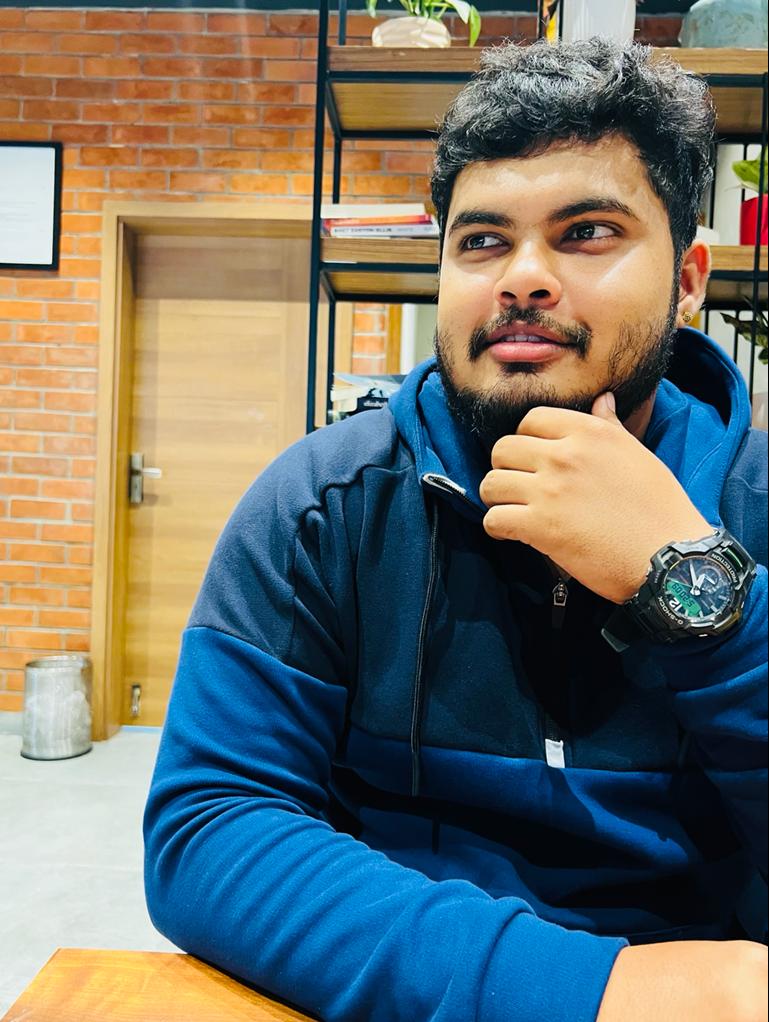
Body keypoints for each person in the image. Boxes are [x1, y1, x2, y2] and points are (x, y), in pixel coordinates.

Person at [144, 38, 768, 1022]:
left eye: (587, 232)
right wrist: (582, 989)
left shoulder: (757, 502)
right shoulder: (322, 502)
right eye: (481, 241)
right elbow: (209, 828)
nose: (523, 278)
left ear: (688, 278)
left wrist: (689, 580)